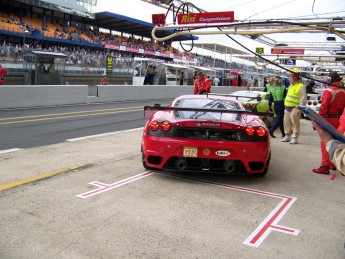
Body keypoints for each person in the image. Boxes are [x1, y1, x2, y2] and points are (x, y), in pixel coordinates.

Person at [312, 71, 345, 174]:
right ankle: (334, 163)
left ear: (330, 80)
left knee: (325, 142)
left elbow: (324, 107)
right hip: (339, 120)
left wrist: (317, 120)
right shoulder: (343, 91)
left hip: (328, 120)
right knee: (337, 142)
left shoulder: (329, 91)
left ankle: (325, 166)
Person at [281, 69, 307, 144]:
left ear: (295, 78)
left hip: (295, 108)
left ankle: (295, 137)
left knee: (295, 123)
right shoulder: (290, 86)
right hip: (287, 107)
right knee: (286, 122)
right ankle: (287, 135)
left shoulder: (301, 87)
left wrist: (300, 109)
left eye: (290, 78)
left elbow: (303, 99)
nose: (289, 79)